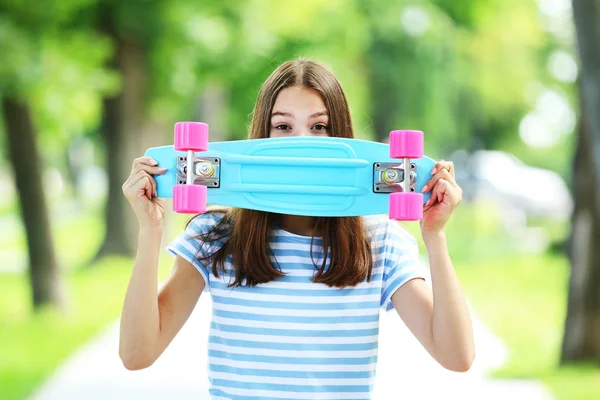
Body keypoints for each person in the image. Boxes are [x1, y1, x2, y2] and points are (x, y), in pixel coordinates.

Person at [120, 59, 474, 399]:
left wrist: (435, 236)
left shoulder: (379, 243)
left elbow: (456, 356)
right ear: (262, 134)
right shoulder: (216, 236)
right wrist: (149, 232)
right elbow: (137, 354)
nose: (302, 143)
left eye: (318, 126)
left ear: (340, 136)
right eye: (284, 126)